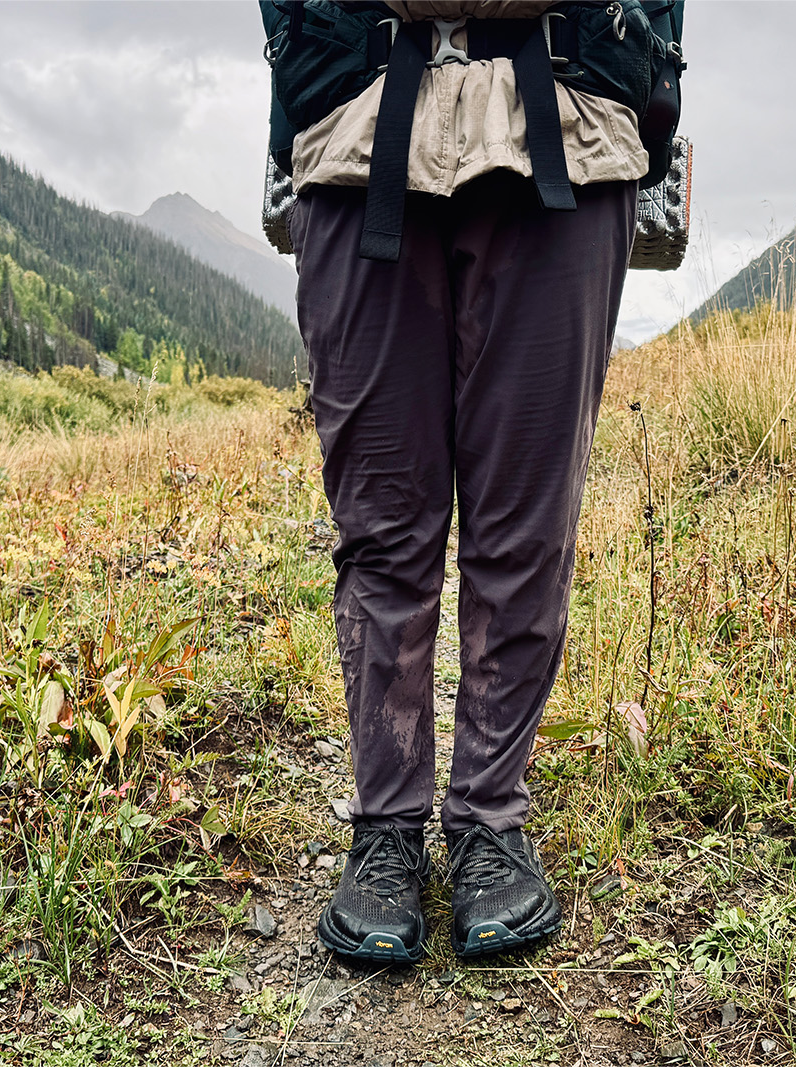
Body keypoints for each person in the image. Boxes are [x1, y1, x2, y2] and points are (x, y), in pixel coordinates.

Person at [262, 0, 670, 961]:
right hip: (356, 123)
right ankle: (387, 828)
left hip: (565, 121)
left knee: (524, 522)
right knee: (381, 523)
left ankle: (490, 818)